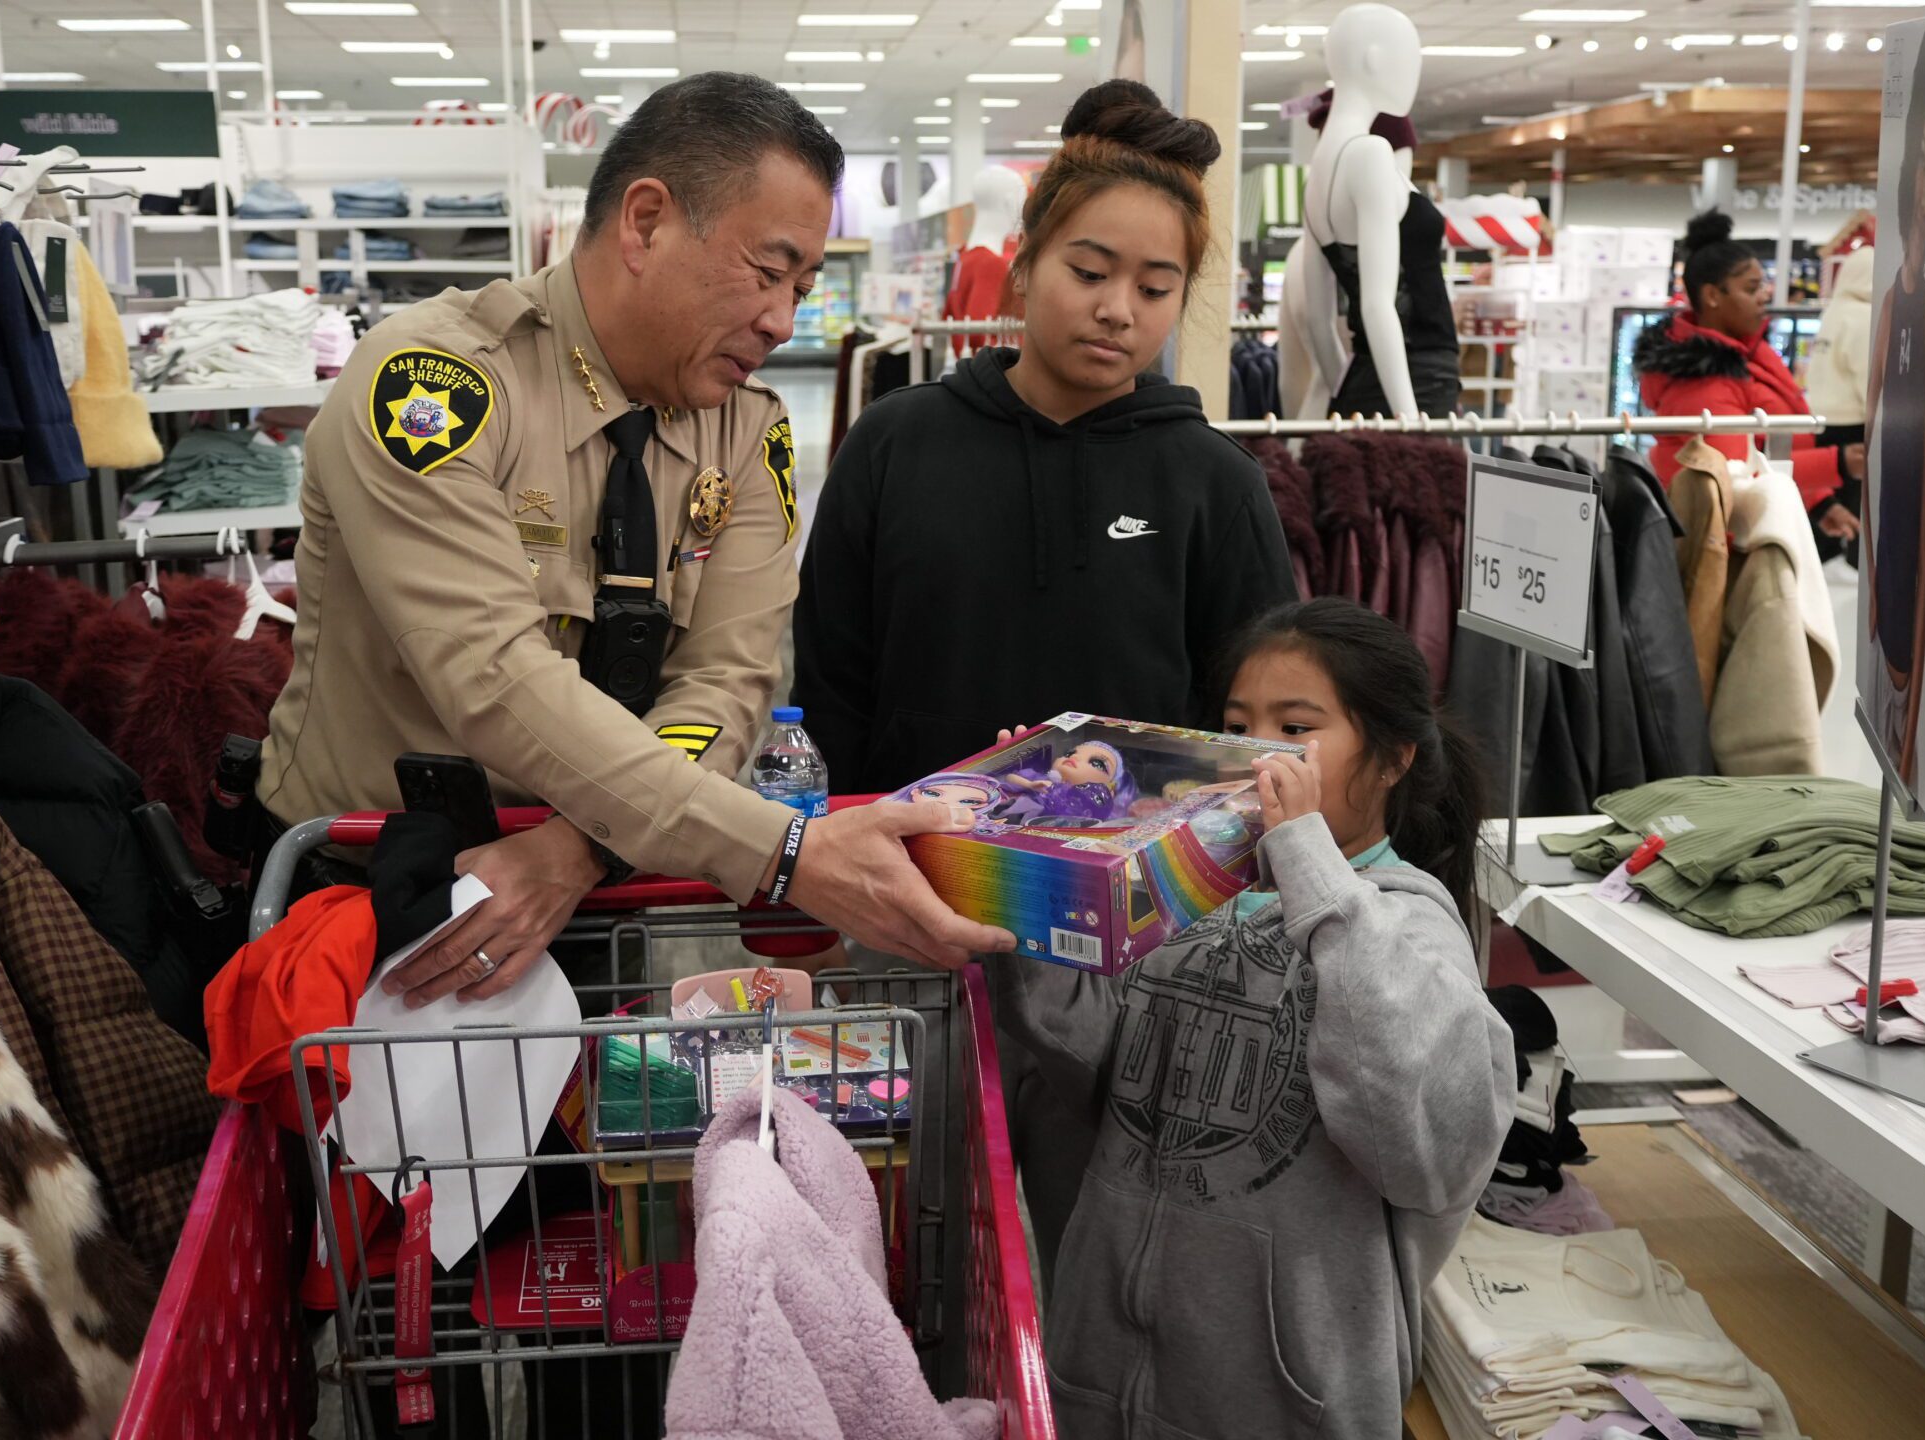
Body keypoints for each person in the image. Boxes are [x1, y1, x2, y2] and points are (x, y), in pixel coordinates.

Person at [258, 71, 1014, 1008]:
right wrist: (775, 852)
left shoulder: (744, 430)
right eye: (769, 271)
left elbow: (727, 676)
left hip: (598, 895)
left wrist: (579, 846)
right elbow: (492, 675)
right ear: (646, 222)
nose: (784, 319)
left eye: (804, 285)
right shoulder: (436, 387)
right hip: (366, 903)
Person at [988, 597, 1513, 1440]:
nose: (1255, 755)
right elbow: (1094, 1069)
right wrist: (1029, 861)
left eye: (1295, 728)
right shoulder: (1184, 893)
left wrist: (1307, 859)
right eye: (1237, 726)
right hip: (1098, 1381)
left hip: (1282, 1405)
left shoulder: (1410, 924)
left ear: (1392, 760)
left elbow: (1425, 1152)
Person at [792, 79, 1293, 798]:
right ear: (1024, 263)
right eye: (1088, 272)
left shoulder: (1216, 482)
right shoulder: (893, 443)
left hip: (1138, 893)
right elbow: (830, 682)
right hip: (910, 870)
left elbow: (1252, 723)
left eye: (1155, 289)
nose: (1117, 310)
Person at [1636, 211, 1862, 547]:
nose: (1764, 297)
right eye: (1752, 288)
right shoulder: (1702, 380)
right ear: (1713, 296)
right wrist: (1836, 463)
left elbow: (1768, 446)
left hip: (1751, 529)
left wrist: (1820, 502)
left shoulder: (1748, 353)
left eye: (1763, 286)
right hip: (1723, 543)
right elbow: (1732, 474)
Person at [1864, 25, 1925, 786]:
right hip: (1884, 586)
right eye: (1915, 162)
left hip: (1911, 588)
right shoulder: (1895, 306)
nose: (1924, 181)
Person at [1805, 248, 1873, 560]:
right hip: (1852, 420)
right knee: (1852, 502)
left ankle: (1825, 557)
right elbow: (1866, 375)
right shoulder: (1864, 316)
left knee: (1825, 495)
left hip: (1819, 417)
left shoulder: (1834, 310)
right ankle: (1850, 561)